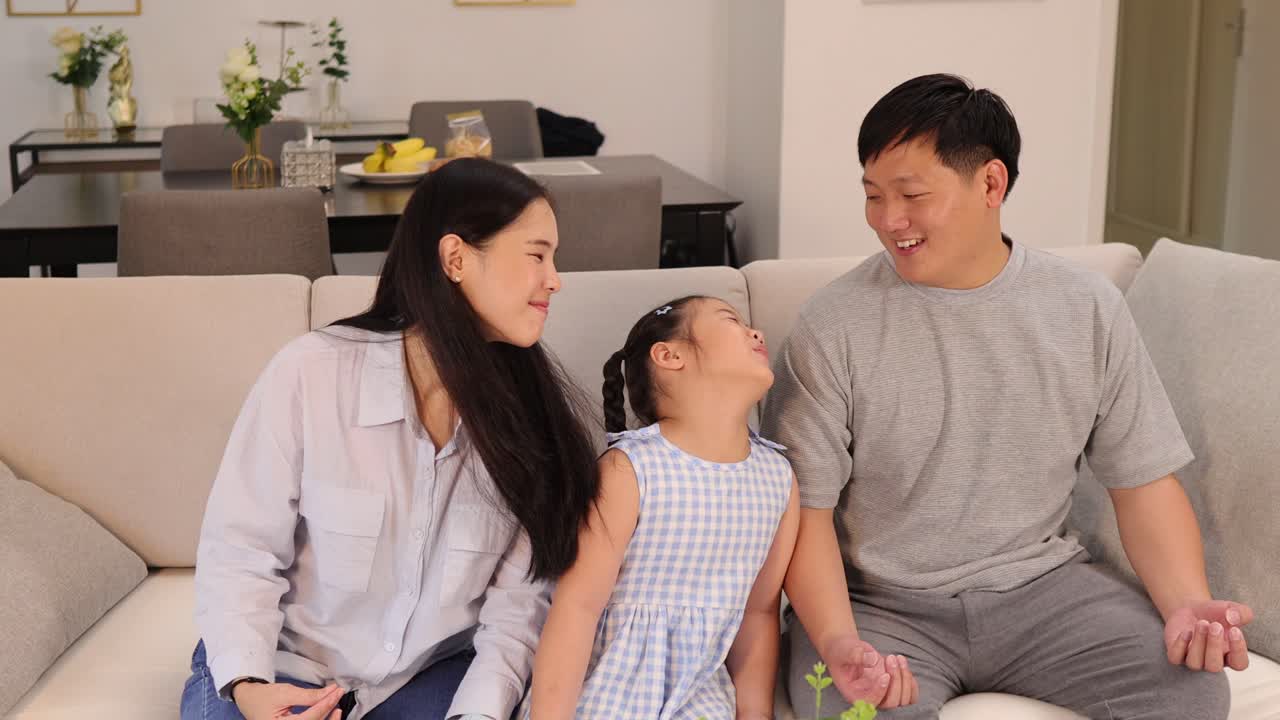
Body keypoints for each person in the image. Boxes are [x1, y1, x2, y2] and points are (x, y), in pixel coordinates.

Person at [766, 74, 1254, 719]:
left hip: (1046, 594)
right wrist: (838, 642)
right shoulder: (832, 326)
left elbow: (1143, 483)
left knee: (1190, 692)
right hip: (880, 608)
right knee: (856, 712)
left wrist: (1186, 606)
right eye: (874, 196)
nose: (889, 220)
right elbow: (806, 513)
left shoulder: (1085, 308)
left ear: (990, 185)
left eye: (912, 195)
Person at [182, 158, 600, 720]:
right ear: (455, 258)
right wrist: (252, 689)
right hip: (280, 668)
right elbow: (241, 550)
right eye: (537, 254)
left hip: (426, 681)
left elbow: (518, 610)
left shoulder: (532, 424)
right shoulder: (311, 373)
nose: (555, 278)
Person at [525, 296, 809, 719]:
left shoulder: (777, 478)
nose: (757, 333)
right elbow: (578, 608)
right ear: (670, 355)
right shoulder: (630, 469)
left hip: (700, 697)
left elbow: (758, 613)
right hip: (609, 692)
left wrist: (755, 714)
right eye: (732, 321)